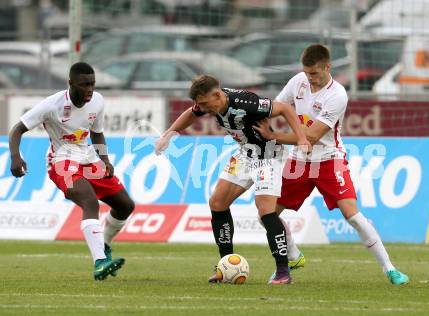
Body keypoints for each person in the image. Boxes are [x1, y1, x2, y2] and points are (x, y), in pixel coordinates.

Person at [253, 44, 409, 285]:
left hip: (329, 160)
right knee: (267, 215)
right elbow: (276, 107)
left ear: (328, 67)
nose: (310, 78)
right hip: (299, 161)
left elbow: (312, 136)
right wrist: (249, 113)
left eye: (314, 73)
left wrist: (273, 136)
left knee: (353, 216)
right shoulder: (298, 81)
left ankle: (390, 269)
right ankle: (292, 255)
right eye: (306, 73)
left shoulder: (337, 95)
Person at [156, 74, 311, 284]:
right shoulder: (209, 102)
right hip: (245, 154)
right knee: (217, 203)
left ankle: (283, 271)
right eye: (199, 103)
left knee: (265, 209)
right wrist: (168, 134)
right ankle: (226, 266)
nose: (202, 108)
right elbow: (191, 113)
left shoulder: (247, 103)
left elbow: (284, 108)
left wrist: (301, 138)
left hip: (268, 156)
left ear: (217, 95)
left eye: (204, 103)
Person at [9, 62, 135, 281]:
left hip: (88, 160)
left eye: (92, 84)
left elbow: (97, 133)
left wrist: (105, 160)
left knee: (125, 205)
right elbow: (17, 129)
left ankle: (103, 245)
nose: (89, 89)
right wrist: (15, 157)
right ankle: (99, 262)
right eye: (84, 84)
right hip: (61, 162)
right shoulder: (52, 105)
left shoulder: (97, 101)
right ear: (71, 83)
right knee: (90, 203)